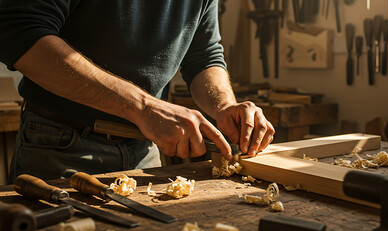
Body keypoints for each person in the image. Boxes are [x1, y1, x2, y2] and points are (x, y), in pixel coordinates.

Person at [0, 0, 275, 183]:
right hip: (60, 144)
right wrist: (144, 107)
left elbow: (203, 56)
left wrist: (224, 105)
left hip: (144, 147)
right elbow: (20, 32)